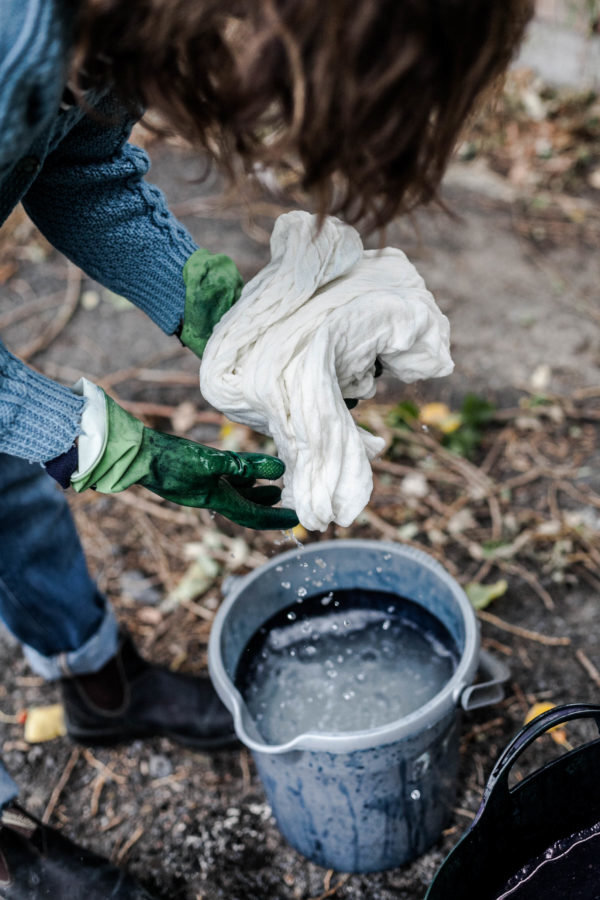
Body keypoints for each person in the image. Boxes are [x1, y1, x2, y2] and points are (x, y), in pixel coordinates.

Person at [0, 0, 533, 895]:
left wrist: (216, 318)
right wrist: (89, 438)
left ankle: (98, 683)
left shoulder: (122, 19)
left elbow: (75, 168)